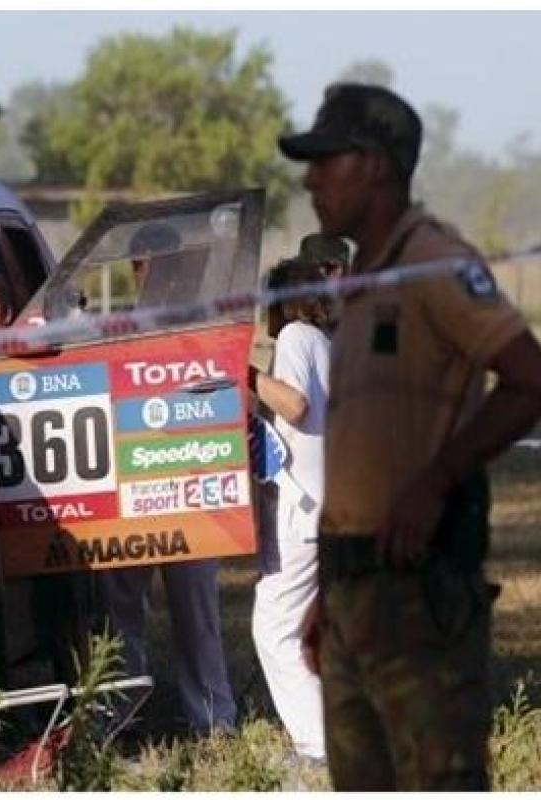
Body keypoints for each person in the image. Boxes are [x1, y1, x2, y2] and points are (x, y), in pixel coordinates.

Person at [279, 83, 541, 790]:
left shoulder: (434, 262)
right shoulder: (362, 281)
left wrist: (437, 480)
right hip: (353, 595)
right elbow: (364, 452)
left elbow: (528, 377)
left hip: (419, 593)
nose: (309, 179)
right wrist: (331, 590)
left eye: (324, 161)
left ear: (373, 165)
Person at [94, 222, 237, 736]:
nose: (150, 273)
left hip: (190, 487)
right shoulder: (112, 330)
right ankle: (124, 714)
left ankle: (214, 722)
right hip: (129, 492)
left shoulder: (201, 326)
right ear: (134, 269)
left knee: (196, 613)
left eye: (160, 263)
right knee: (120, 609)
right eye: (143, 264)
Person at [247, 242, 344, 766]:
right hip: (326, 505)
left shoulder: (294, 337)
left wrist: (248, 377)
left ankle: (317, 746)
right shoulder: (324, 343)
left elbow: (295, 403)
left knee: (274, 630)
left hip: (300, 512)